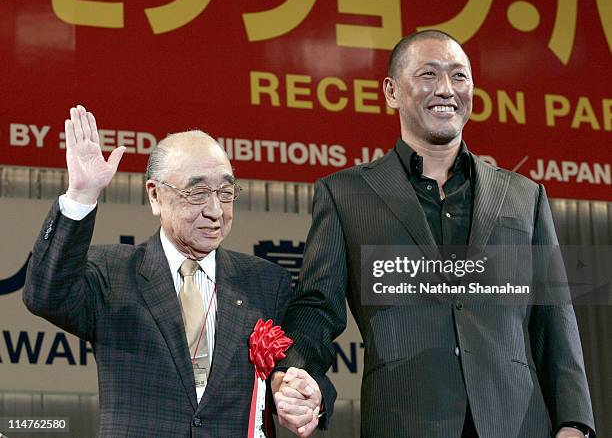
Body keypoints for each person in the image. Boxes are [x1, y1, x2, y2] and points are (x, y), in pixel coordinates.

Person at [273, 30, 595, 437]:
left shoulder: (523, 196)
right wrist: (296, 372)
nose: (446, 89)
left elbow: (555, 320)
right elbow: (318, 305)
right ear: (391, 91)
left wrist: (574, 423)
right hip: (402, 420)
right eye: (428, 74)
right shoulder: (346, 195)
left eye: (459, 76)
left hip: (518, 422)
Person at [23, 105, 328, 437]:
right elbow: (45, 296)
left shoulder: (266, 282)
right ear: (156, 196)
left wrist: (307, 392)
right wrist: (81, 196)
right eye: (197, 193)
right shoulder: (113, 274)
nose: (215, 210)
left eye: (226, 193)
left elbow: (293, 361)